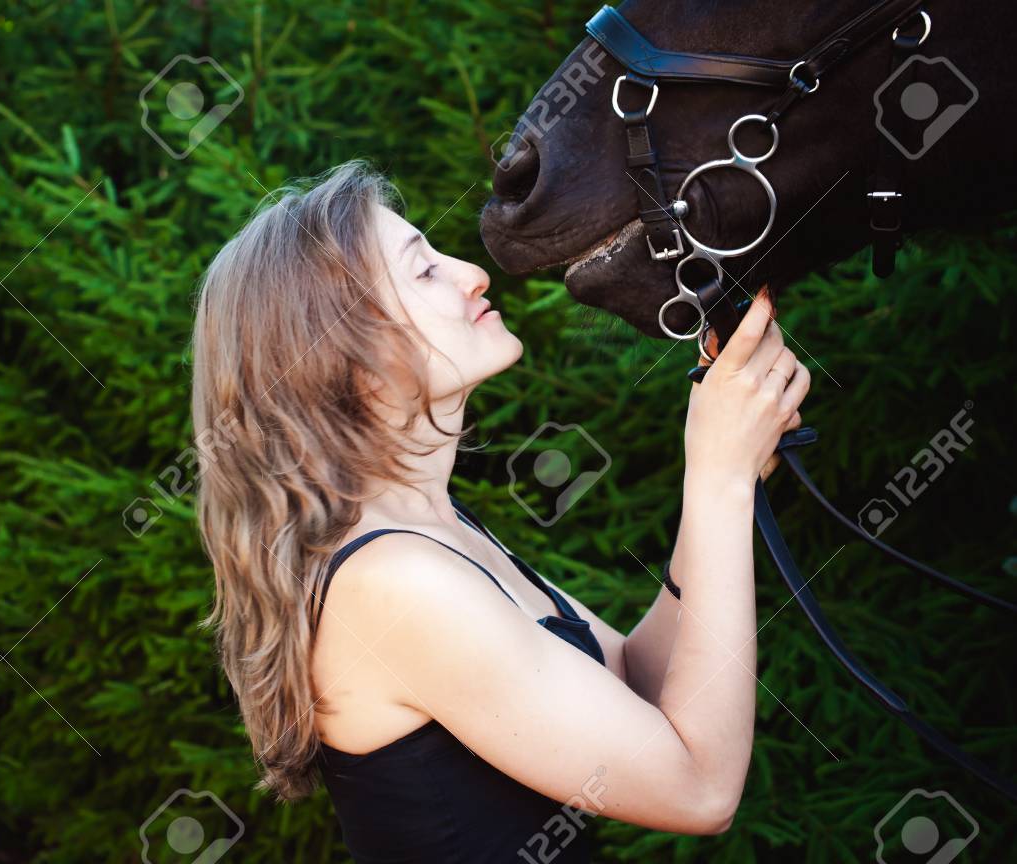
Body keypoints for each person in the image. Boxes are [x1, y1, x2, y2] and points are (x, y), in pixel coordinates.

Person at [189, 160, 809, 862]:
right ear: (342, 355)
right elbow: (700, 790)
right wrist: (720, 480)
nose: (472, 273)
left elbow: (636, 679)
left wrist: (727, 469)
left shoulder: (431, 531)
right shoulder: (391, 583)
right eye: (423, 271)